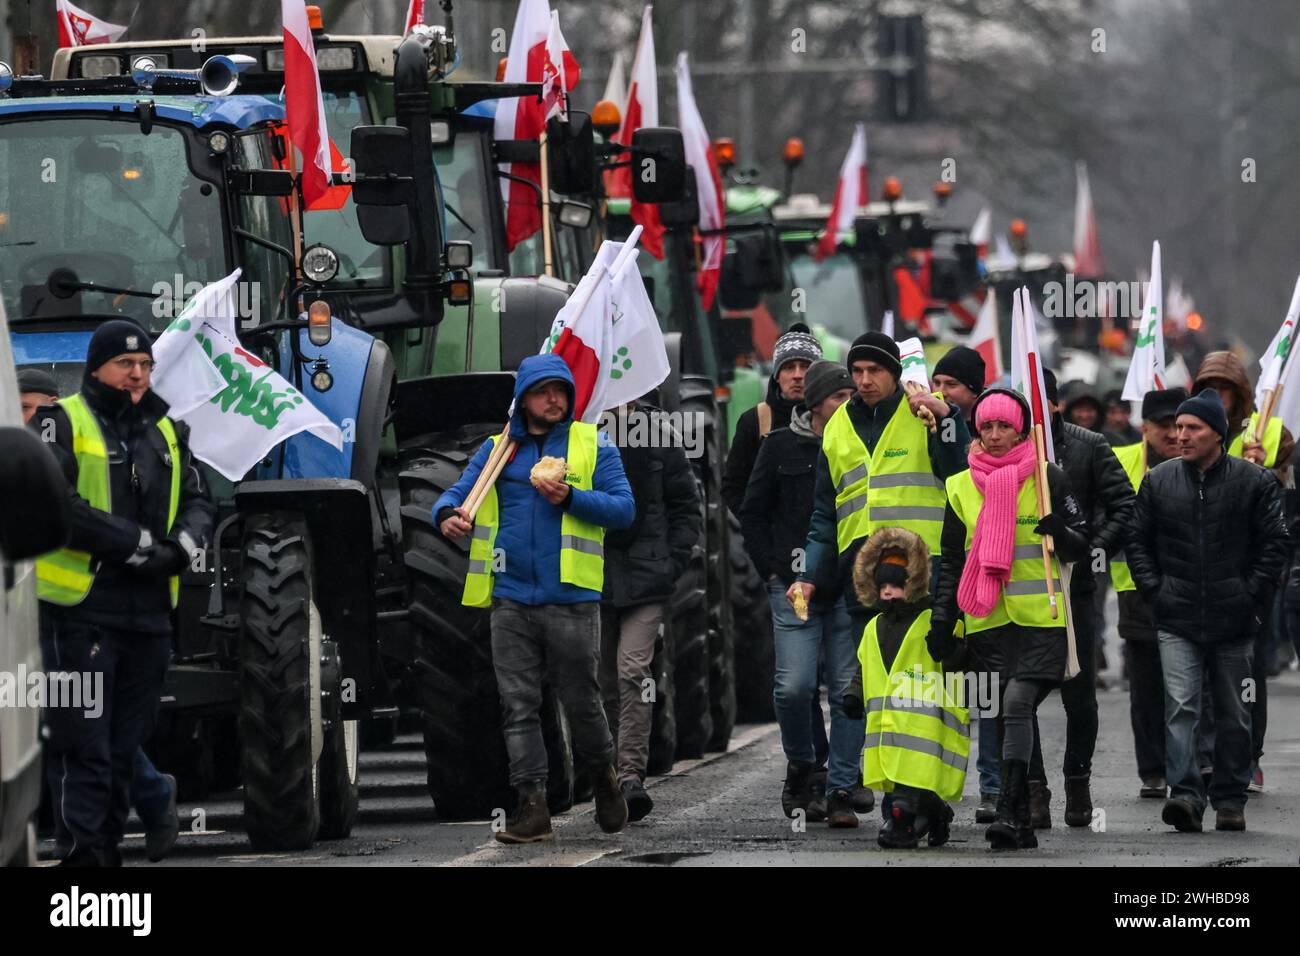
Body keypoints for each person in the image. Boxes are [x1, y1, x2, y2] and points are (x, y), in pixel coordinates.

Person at [30, 320, 214, 867]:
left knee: (117, 745)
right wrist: (133, 545)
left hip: (151, 614)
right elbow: (56, 503)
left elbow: (201, 502)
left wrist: (179, 550)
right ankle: (89, 861)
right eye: (125, 365)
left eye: (145, 366)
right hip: (81, 611)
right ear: (97, 369)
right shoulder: (60, 423)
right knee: (84, 745)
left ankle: (110, 846)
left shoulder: (167, 430)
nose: (137, 375)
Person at [435, 354, 636, 844]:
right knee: (518, 706)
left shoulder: (592, 444)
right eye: (544, 391)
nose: (555, 400)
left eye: (561, 391)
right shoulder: (497, 450)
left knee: (581, 700)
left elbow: (625, 509)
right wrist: (445, 516)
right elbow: (458, 495)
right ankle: (532, 806)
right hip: (509, 599)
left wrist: (570, 498)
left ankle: (605, 780)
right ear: (523, 399)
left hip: (570, 598)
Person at [930, 388, 1090, 850]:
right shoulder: (959, 486)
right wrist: (943, 621)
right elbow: (951, 563)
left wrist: (1061, 533)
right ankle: (1019, 822)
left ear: (1021, 429)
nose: (995, 435)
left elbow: (1084, 542)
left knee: (1017, 704)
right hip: (987, 623)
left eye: (1004, 426)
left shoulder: (1047, 478)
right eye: (986, 427)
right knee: (1001, 713)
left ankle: (1006, 808)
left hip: (1042, 622)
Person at [1126, 389, 1288, 833]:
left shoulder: (1253, 482)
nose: (1180, 436)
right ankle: (1186, 795)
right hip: (1176, 618)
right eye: (1178, 427)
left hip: (1234, 621)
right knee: (1181, 708)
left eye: (1192, 428)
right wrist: (1156, 591)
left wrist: (1251, 595)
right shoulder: (1159, 480)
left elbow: (1275, 543)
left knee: (1234, 710)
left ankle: (1230, 797)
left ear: (1218, 433)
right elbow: (1137, 540)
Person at [741, 360, 867, 826]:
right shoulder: (778, 447)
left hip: (849, 585)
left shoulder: (860, 447)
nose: (848, 404)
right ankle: (803, 763)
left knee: (846, 690)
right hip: (793, 590)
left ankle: (839, 788)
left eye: (852, 396)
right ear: (815, 404)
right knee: (794, 687)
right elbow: (751, 511)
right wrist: (772, 569)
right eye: (839, 397)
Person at [794, 332, 970, 639]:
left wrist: (947, 419)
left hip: (924, 572)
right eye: (857, 371)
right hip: (864, 578)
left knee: (922, 677)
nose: (863, 380)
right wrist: (808, 575)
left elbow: (960, 474)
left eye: (875, 370)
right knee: (873, 677)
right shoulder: (836, 427)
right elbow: (824, 513)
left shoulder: (929, 411)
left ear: (895, 374)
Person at [1026, 370, 1134, 829]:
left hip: (1078, 590)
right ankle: (1032, 790)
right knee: (1020, 696)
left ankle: (1078, 782)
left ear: (1056, 403)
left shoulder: (1089, 445)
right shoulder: (1006, 450)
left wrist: (1094, 549)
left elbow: (1124, 504)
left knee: (1079, 694)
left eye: (1040, 403)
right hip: (1024, 591)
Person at [597, 398, 701, 822]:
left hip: (648, 581)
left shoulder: (658, 432)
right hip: (593, 579)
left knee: (632, 671)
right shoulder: (582, 429)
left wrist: (671, 563)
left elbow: (685, 505)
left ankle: (630, 775)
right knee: (601, 683)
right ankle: (606, 775)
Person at [844, 527, 965, 849]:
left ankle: (901, 825)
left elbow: (958, 662)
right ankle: (934, 814)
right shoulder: (873, 627)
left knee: (907, 794)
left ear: (911, 584)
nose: (888, 592)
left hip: (924, 729)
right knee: (908, 785)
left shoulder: (932, 623)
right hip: (887, 729)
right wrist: (853, 694)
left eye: (896, 585)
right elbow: (865, 666)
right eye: (882, 585)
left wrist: (950, 649)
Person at [931, 345, 999, 823]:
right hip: (947, 572)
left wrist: (949, 419)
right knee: (948, 687)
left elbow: (961, 468)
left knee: (992, 690)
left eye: (951, 386)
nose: (940, 393)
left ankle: (994, 787)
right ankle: (939, 785)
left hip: (993, 585)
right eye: (936, 384)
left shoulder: (989, 438)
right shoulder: (932, 424)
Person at [1108, 387, 1187, 799]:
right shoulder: (1121, 462)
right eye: (1164, 427)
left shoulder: (1200, 457)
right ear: (1145, 428)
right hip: (1136, 593)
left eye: (1180, 425)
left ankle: (1189, 766)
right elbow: (1108, 516)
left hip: (1190, 589)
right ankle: (1153, 770)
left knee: (1189, 685)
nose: (1174, 435)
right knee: (1148, 687)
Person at [722, 324, 822, 516]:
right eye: (789, 367)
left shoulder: (834, 418)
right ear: (777, 376)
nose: (797, 376)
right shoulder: (755, 421)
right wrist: (758, 530)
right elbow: (733, 485)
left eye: (805, 367)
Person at [1193, 350, 1294, 468]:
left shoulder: (1276, 434)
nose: (1217, 394)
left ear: (1237, 393)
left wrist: (1261, 474)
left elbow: (1289, 482)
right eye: (1211, 387)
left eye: (1224, 388)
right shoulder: (1182, 432)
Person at [931, 346, 986, 433]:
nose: (940, 392)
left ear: (975, 391)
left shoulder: (991, 429)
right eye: (937, 383)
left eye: (951, 384)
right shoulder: (927, 424)